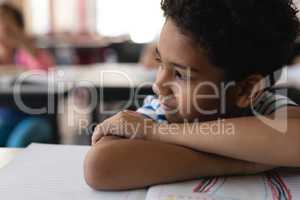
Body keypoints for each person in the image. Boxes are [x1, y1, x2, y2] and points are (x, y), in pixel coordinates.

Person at [84, 0, 300, 190]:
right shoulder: (161, 111)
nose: (158, 84)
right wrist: (241, 163)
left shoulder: (264, 106)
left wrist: (157, 133)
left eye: (180, 75)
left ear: (244, 90)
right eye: (160, 63)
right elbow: (100, 165)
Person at [0, 3, 54, 147]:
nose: (3, 29)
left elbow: (47, 74)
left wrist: (20, 40)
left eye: (6, 24)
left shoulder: (27, 52)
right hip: (6, 119)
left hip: (36, 118)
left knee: (17, 143)